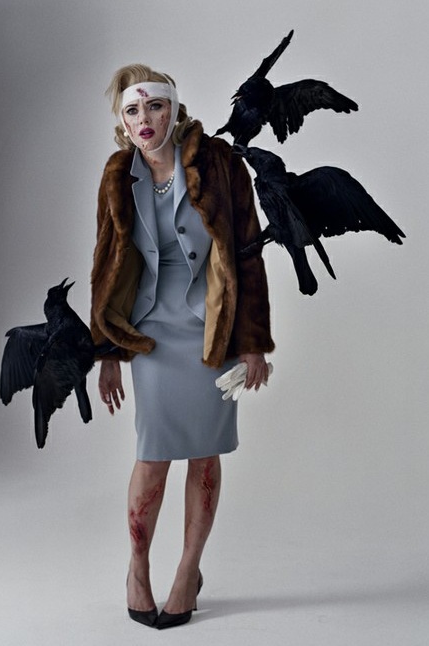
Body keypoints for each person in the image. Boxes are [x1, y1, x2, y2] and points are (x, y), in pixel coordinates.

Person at [90, 63, 275, 629]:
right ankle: (138, 569)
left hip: (211, 328)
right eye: (132, 110)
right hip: (149, 332)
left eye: (155, 105)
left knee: (204, 453)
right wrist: (108, 352)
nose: (145, 119)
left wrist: (253, 344)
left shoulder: (218, 162)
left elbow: (247, 251)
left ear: (173, 108)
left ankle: (188, 571)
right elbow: (105, 263)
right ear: (123, 122)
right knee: (152, 457)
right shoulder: (118, 175)